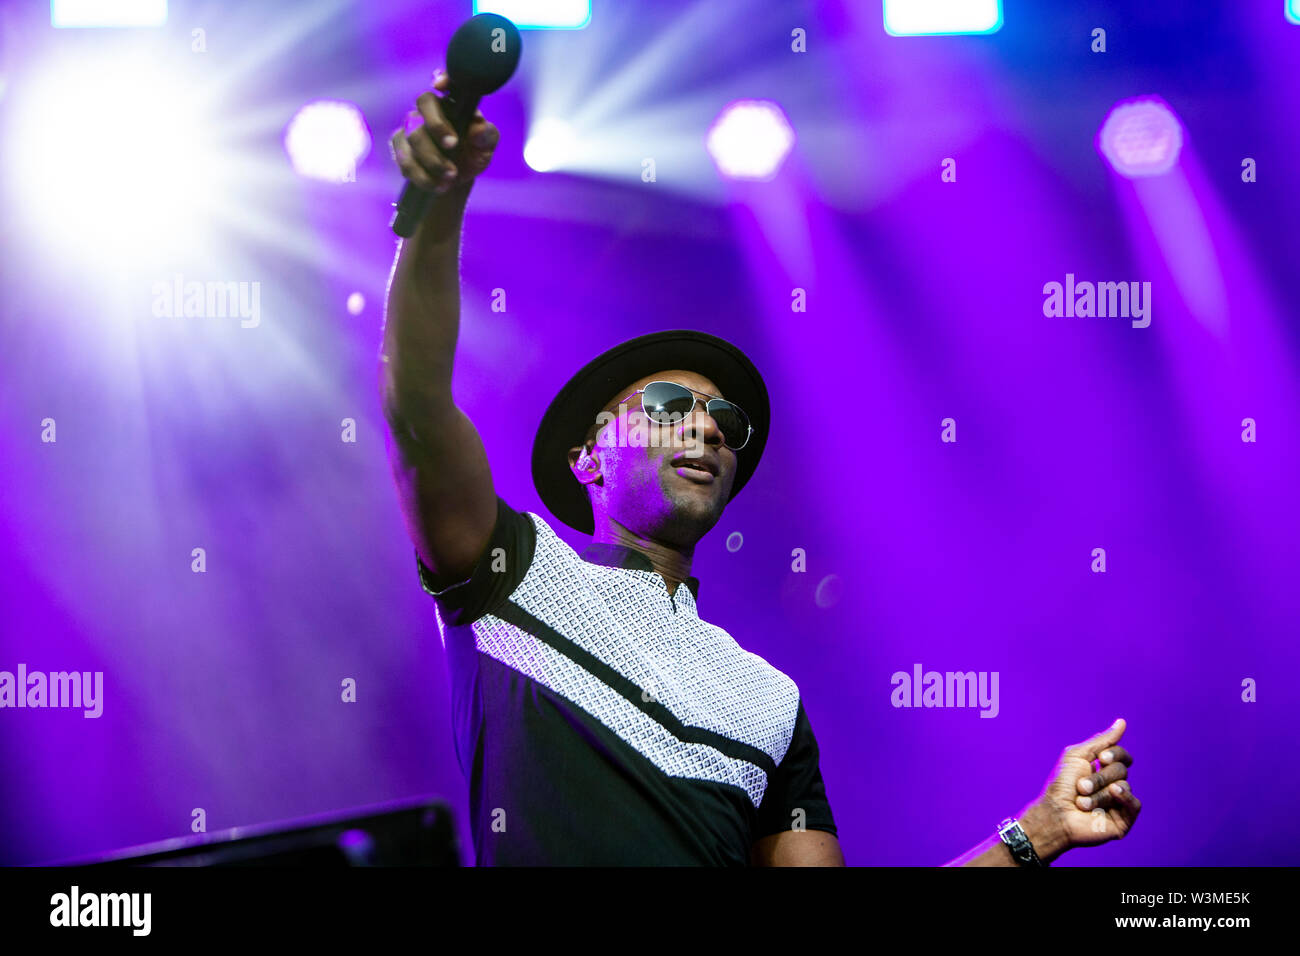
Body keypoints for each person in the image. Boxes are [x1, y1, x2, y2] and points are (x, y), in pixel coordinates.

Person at [378, 77, 1142, 866]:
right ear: (589, 456)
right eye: (672, 403)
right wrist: (439, 202)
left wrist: (1037, 832)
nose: (708, 426)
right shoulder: (516, 576)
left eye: (727, 422)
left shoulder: (768, 697)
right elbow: (416, 406)